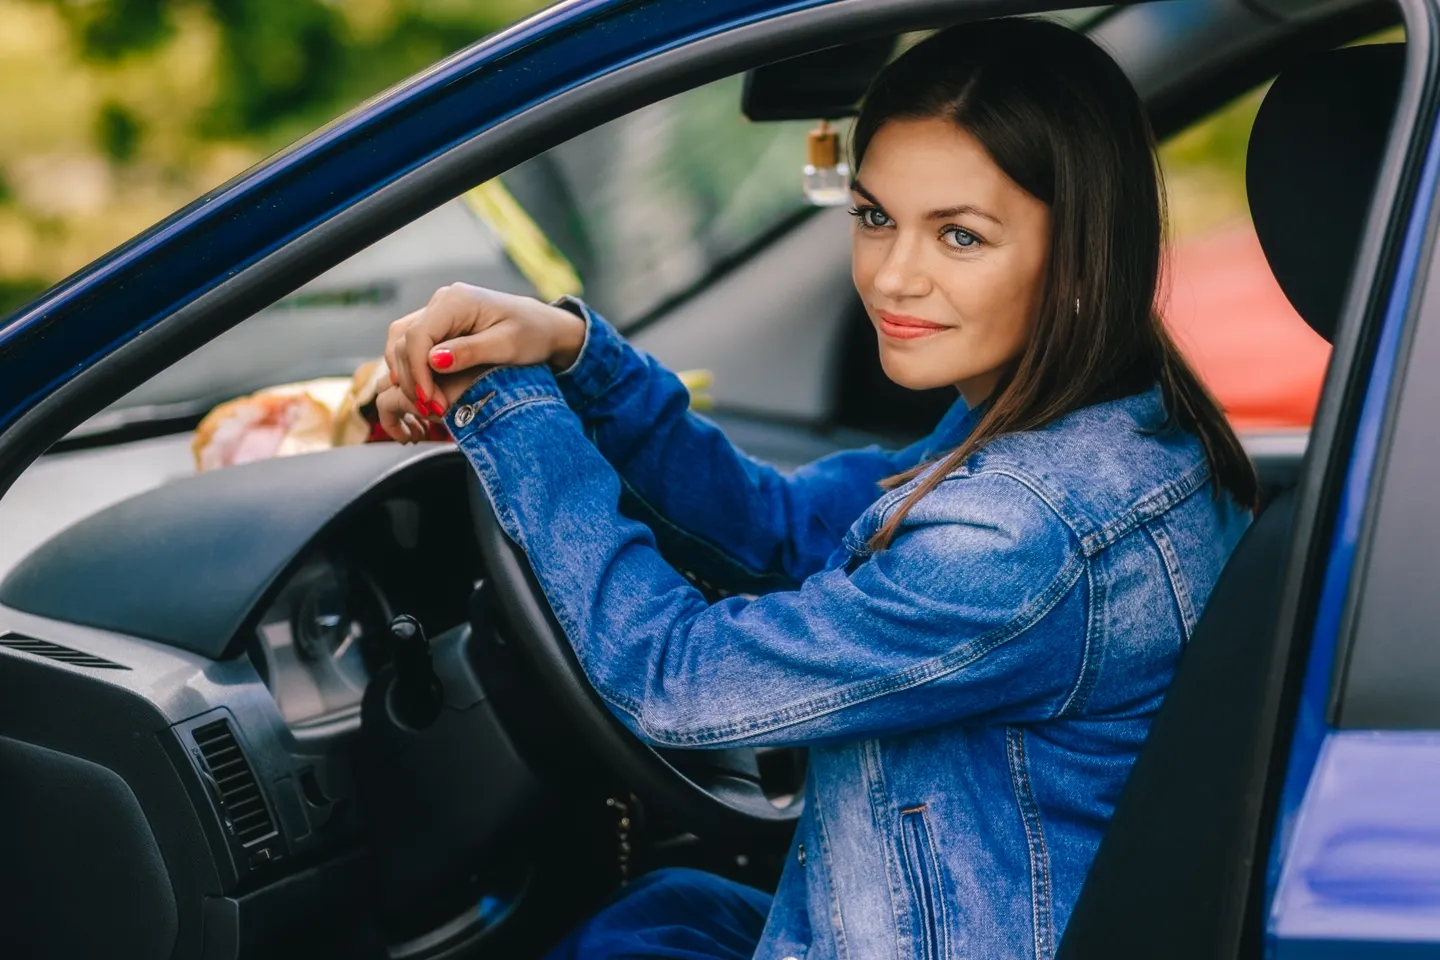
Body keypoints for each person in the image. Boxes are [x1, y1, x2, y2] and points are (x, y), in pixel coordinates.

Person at [375, 17, 1255, 960]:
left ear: (1083, 253)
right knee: (663, 910)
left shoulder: (1021, 534)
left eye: (959, 235)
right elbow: (786, 529)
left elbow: (676, 678)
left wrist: (502, 405)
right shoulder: (1112, 427)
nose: (892, 276)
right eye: (874, 217)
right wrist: (575, 356)